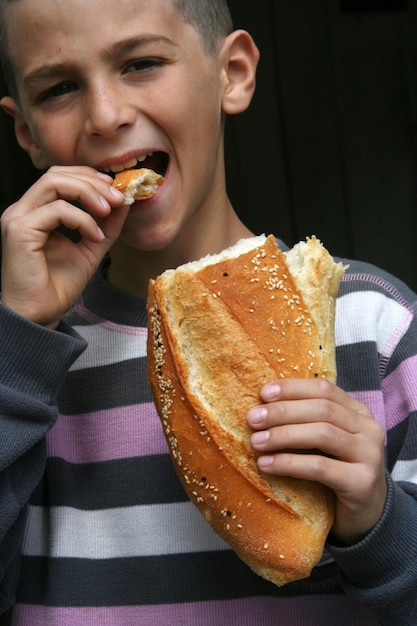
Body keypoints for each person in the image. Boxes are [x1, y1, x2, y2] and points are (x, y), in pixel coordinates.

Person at [0, 0, 416, 624]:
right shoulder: (22, 359)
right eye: (59, 88)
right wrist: (18, 344)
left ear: (234, 74)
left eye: (140, 63)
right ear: (26, 131)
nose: (106, 116)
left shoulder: (375, 328)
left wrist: (377, 521)